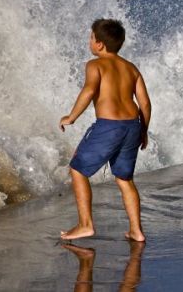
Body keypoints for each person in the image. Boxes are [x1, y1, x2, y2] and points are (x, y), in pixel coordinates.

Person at [59, 19, 151, 242]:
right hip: (132, 126)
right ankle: (136, 231)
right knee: (124, 179)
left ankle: (85, 225)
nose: (89, 41)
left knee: (78, 170)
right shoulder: (131, 68)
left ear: (99, 44)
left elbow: (89, 90)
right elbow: (145, 104)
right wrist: (144, 131)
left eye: (91, 37)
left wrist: (72, 116)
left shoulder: (95, 65)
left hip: (109, 126)